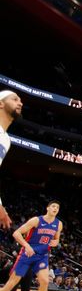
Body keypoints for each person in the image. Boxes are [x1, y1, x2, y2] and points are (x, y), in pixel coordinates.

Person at [0, 200, 62, 291]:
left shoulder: (59, 224)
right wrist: (26, 246)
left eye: (58, 207)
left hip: (42, 256)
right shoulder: (36, 220)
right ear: (48, 208)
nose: (55, 208)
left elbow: (56, 239)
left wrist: (55, 242)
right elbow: (16, 233)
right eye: (53, 206)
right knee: (10, 284)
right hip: (27, 254)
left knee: (45, 281)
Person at [0, 90, 23, 229]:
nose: (20, 103)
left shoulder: (6, 140)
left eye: (20, 100)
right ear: (1, 104)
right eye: (15, 99)